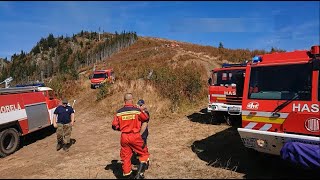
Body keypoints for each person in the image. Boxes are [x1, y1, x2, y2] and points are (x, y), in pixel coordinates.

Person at [112, 93, 150, 179]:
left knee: (126, 158)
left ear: (124, 100)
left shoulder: (119, 112)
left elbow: (114, 126)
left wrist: (122, 128)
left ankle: (128, 176)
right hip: (135, 135)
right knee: (144, 153)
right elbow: (145, 118)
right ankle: (139, 175)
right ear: (132, 100)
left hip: (124, 137)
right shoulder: (136, 110)